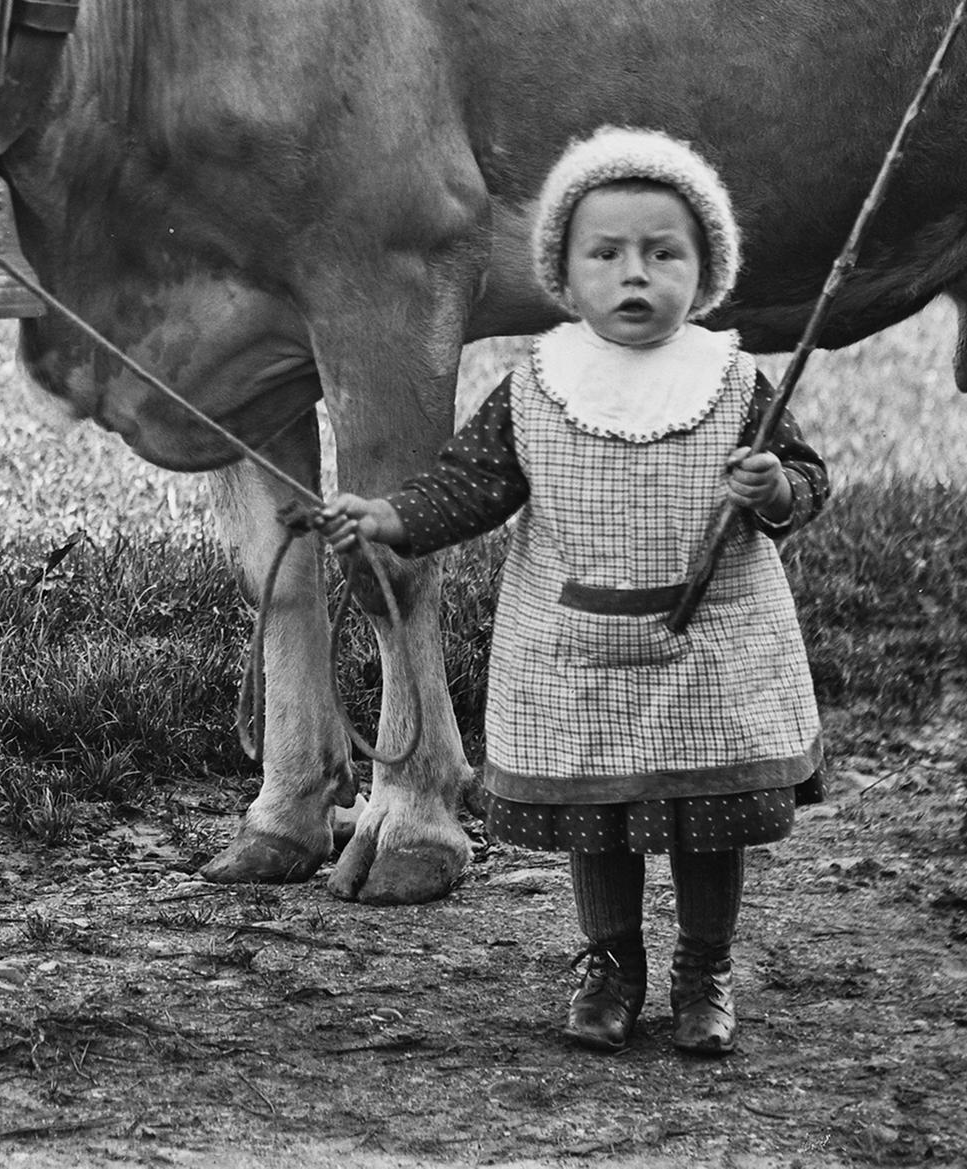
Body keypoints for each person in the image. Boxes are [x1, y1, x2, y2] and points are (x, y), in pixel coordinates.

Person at [320, 127, 828, 1056]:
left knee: (705, 819)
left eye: (662, 253)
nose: (635, 274)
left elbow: (805, 475)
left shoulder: (730, 381)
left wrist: (778, 489)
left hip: (710, 655)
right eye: (607, 253)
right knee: (603, 819)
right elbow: (468, 487)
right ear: (564, 270)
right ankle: (610, 961)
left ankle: (704, 966)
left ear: (705, 269)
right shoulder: (538, 388)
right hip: (575, 657)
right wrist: (391, 518)